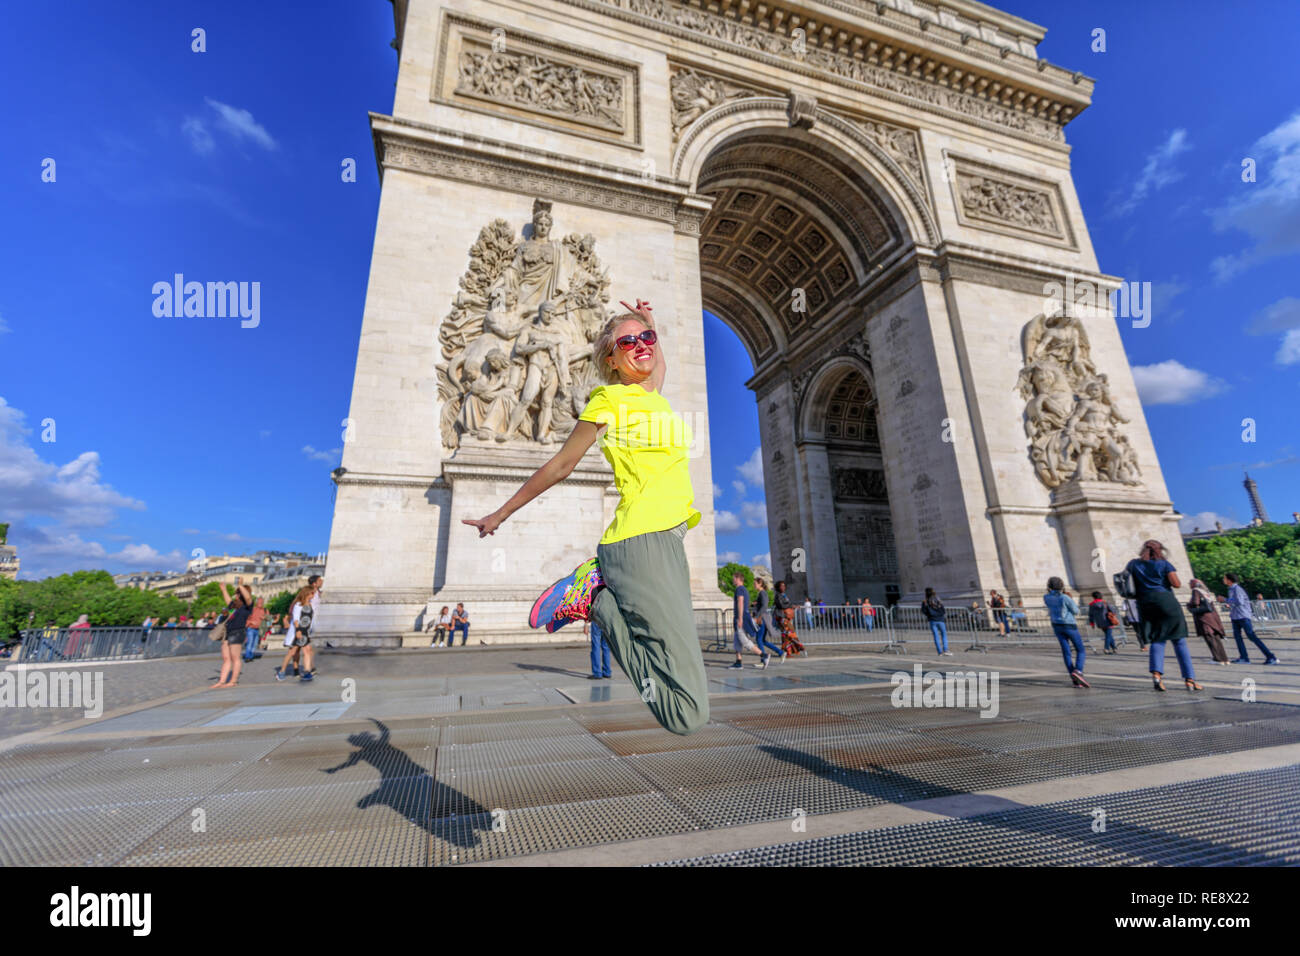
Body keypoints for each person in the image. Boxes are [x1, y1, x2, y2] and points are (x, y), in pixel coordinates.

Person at [465, 298, 709, 735]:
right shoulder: (608, 401)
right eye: (627, 342)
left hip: (665, 541)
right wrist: (500, 513)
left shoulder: (653, 396)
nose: (641, 346)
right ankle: (594, 601)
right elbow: (562, 464)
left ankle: (596, 593)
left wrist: (651, 323)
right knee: (687, 714)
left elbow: (659, 364)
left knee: (686, 692)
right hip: (641, 541)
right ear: (610, 361)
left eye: (646, 340)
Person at [1126, 540, 1201, 692]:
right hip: (1165, 601)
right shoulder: (1164, 564)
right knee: (1179, 640)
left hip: (1145, 603)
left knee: (1157, 639)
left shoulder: (1133, 564)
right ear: (1160, 550)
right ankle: (1189, 679)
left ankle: (1156, 674)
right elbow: (1177, 584)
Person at [1223, 573, 1278, 664]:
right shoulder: (1231, 589)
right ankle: (1244, 657)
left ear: (1229, 580)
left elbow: (1239, 602)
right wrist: (1229, 604)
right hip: (1236, 616)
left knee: (1252, 636)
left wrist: (1225, 600)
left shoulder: (1237, 589)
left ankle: (1270, 656)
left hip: (1243, 616)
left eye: (1224, 578)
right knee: (1238, 637)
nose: (1223, 580)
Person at [1042, 578, 1088, 686]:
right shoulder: (1065, 597)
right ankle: (1078, 671)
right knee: (1080, 649)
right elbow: (1076, 611)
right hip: (1069, 625)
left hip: (1056, 625)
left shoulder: (1046, 597)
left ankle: (1074, 678)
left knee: (1066, 651)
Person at [276, 575, 322, 682]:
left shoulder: (310, 605)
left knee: (307, 651)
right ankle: (282, 671)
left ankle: (307, 672)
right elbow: (296, 620)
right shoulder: (298, 605)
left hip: (305, 632)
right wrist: (298, 631)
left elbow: (310, 620)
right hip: (299, 632)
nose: (313, 595)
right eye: (312, 594)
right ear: (307, 594)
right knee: (292, 652)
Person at [211, 581, 253, 688]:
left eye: (238, 593)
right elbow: (228, 601)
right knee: (226, 658)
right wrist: (223, 589)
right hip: (228, 632)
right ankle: (222, 681)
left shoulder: (248, 606)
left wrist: (240, 585)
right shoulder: (235, 606)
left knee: (235, 657)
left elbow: (248, 598)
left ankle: (233, 681)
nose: (236, 595)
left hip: (238, 632)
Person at [1187, 578, 1230, 665]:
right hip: (1213, 618)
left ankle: (1217, 659)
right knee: (1216, 638)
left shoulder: (1196, 590)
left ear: (1193, 584)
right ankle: (1225, 659)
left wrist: (1189, 605)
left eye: (1190, 583)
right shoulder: (1205, 592)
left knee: (1210, 638)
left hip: (1204, 618)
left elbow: (1196, 602)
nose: (1189, 585)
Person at [729, 572, 765, 668]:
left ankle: (763, 655)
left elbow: (740, 602)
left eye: (734, 578)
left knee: (743, 640)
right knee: (737, 640)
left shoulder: (739, 589)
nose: (733, 580)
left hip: (741, 617)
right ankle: (738, 661)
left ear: (738, 579)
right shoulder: (743, 589)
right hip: (741, 616)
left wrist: (740, 618)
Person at [752, 577, 784, 664]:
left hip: (762, 619)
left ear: (760, 584)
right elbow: (763, 604)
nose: (754, 585)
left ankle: (764, 659)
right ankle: (780, 652)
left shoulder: (762, 593)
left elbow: (764, 606)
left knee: (759, 640)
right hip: (763, 618)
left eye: (755, 584)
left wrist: (757, 616)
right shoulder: (762, 593)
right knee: (762, 640)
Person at [921, 588, 950, 656]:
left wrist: (929, 614)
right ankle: (945, 650)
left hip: (932, 620)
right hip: (940, 619)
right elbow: (943, 610)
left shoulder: (925, 601)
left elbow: (923, 611)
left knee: (936, 636)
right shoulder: (938, 600)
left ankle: (939, 652)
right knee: (944, 635)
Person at [243, 597, 268, 662]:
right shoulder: (252, 609)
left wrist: (265, 618)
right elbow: (245, 618)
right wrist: (250, 622)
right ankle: (247, 657)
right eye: (259, 602)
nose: (260, 603)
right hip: (251, 628)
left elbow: (269, 620)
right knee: (250, 642)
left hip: (259, 629)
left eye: (262, 602)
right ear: (256, 603)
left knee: (255, 644)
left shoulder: (265, 610)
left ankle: (251, 656)